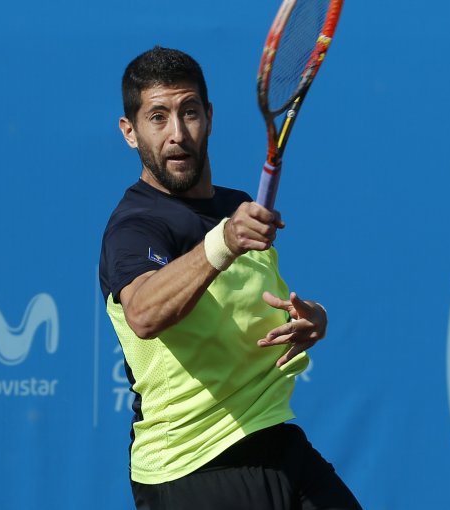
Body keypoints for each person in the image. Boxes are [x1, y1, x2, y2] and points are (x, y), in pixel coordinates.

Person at [99, 46, 361, 510]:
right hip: (193, 470)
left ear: (209, 117)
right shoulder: (135, 225)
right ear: (130, 132)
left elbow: (253, 310)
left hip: (277, 441)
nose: (177, 134)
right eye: (158, 117)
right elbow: (142, 312)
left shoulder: (234, 206)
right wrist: (223, 242)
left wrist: (312, 318)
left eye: (190, 113)